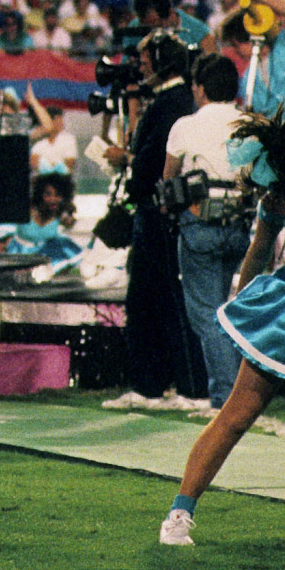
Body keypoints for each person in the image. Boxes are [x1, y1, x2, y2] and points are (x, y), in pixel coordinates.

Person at [160, 71, 285, 545]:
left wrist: (240, 306)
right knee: (235, 415)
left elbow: (256, 260)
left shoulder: (279, 196)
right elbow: (255, 257)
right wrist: (242, 312)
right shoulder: (284, 196)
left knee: (234, 418)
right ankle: (178, 515)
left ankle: (179, 516)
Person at [103, 30, 200, 403]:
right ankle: (152, 384)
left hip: (157, 212)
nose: (140, 69)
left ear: (161, 63)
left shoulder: (170, 104)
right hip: (153, 212)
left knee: (162, 299)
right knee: (148, 299)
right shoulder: (169, 100)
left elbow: (152, 163)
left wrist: (125, 159)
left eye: (144, 62)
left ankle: (179, 385)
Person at [164, 53, 252, 411]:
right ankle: (234, 392)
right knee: (225, 313)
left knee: (207, 315)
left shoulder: (185, 126)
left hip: (200, 219)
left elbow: (169, 177)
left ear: (199, 88)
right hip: (239, 222)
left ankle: (227, 399)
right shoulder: (250, 122)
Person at [23, 88, 77, 177]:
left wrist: (33, 102)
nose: (62, 123)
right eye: (58, 119)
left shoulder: (68, 139)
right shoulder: (29, 134)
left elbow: (48, 126)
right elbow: (34, 162)